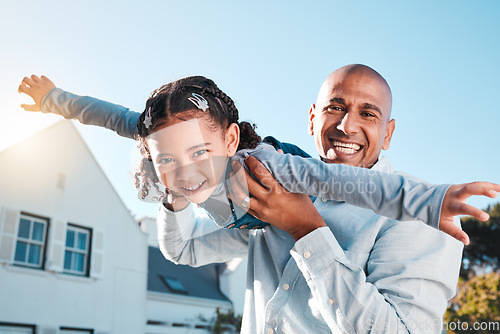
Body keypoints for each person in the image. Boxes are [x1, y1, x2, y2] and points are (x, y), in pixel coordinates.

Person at [18, 68, 499, 333]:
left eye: (368, 114)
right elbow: (116, 119)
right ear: (312, 118)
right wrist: (54, 98)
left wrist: (429, 200)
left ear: (230, 139)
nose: (347, 126)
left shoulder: (273, 171)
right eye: (335, 107)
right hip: (244, 219)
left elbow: (366, 190)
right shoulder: (170, 150)